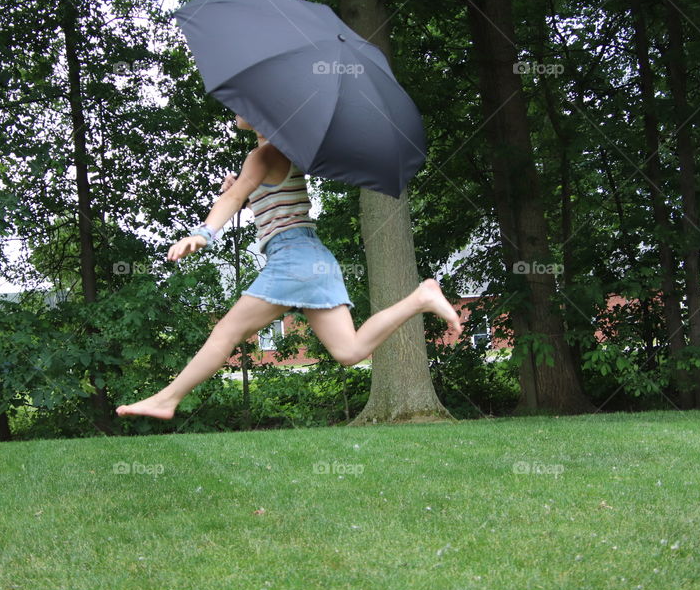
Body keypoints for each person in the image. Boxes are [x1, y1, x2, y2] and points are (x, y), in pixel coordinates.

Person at [115, 114, 463, 420]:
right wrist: (246, 193)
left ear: (266, 112)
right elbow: (264, 202)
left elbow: (231, 200)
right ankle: (420, 297)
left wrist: (204, 232)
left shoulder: (263, 153)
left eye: (246, 102)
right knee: (350, 351)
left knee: (226, 331)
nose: (237, 107)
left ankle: (167, 399)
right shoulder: (281, 153)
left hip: (294, 257)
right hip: (314, 257)